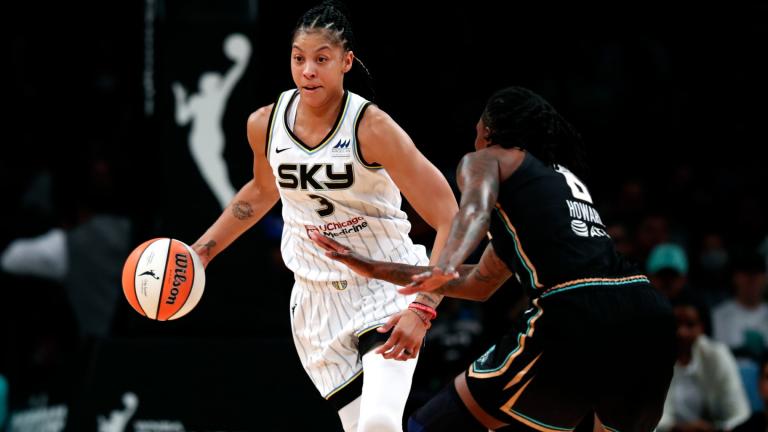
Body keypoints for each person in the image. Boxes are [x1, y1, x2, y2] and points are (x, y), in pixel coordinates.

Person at [310, 86, 676, 431]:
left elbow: (472, 212)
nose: (473, 140)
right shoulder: (551, 184)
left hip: (576, 309)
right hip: (648, 316)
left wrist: (445, 263)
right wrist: (372, 267)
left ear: (488, 130)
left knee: (427, 426)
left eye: (476, 130)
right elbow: (479, 283)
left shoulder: (487, 159)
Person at [189, 2, 458, 431]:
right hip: (316, 304)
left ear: (346, 62)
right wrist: (201, 252)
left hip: (384, 286)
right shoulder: (265, 124)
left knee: (379, 422)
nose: (308, 70)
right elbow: (262, 191)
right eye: (299, 58)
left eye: (321, 59)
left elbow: (450, 216)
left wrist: (423, 308)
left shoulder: (372, 128)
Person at [658, 294, 750, 432]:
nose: (682, 332)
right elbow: (649, 418)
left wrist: (715, 429)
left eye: (690, 324)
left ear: (702, 327)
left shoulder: (717, 355)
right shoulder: (656, 358)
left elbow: (739, 414)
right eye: (676, 323)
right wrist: (677, 429)